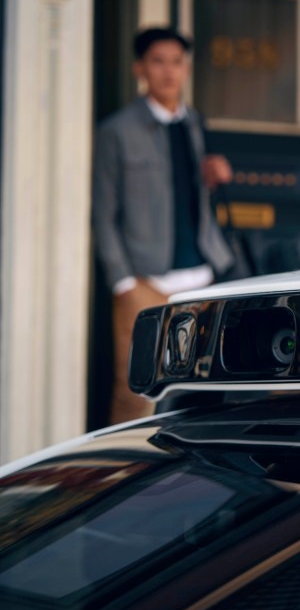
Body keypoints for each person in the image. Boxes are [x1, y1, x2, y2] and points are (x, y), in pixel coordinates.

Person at [93, 28, 235, 424]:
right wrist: (122, 281)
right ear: (141, 68)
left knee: (199, 387)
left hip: (202, 277)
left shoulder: (194, 123)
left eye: (177, 62)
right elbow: (103, 212)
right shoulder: (116, 131)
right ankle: (125, 477)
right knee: (135, 391)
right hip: (145, 282)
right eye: (158, 61)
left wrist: (212, 176)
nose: (169, 72)